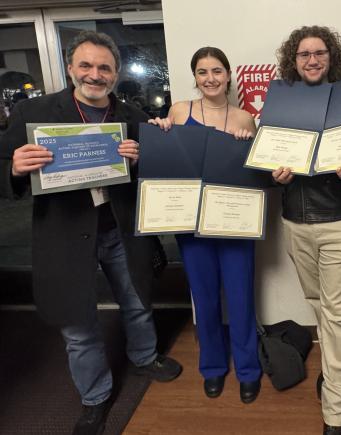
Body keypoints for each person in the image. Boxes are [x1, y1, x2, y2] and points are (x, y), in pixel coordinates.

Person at [0, 31, 182, 435]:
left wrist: (140, 160)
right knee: (78, 326)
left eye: (104, 67)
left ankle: (144, 356)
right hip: (64, 235)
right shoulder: (35, 113)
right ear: (70, 68)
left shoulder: (132, 116)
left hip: (120, 229)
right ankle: (95, 397)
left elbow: (155, 173)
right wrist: (14, 168)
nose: (95, 74)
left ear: (115, 73)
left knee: (136, 301)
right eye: (86, 65)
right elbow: (3, 166)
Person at [149, 46, 262, 404]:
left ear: (228, 75)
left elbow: (256, 175)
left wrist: (248, 145)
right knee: (205, 298)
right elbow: (169, 159)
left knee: (241, 298)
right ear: (195, 77)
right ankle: (212, 368)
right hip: (192, 223)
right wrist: (161, 130)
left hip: (233, 223)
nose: (210, 78)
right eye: (202, 72)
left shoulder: (245, 118)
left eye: (216, 71)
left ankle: (248, 370)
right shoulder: (180, 111)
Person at [273, 26, 341, 435]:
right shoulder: (280, 107)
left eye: (320, 53)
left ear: (332, 58)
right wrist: (273, 176)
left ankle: (336, 410)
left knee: (340, 317)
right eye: (304, 54)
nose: (312, 60)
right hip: (296, 223)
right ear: (293, 60)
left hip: (340, 222)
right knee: (319, 306)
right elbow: (263, 165)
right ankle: (334, 369)